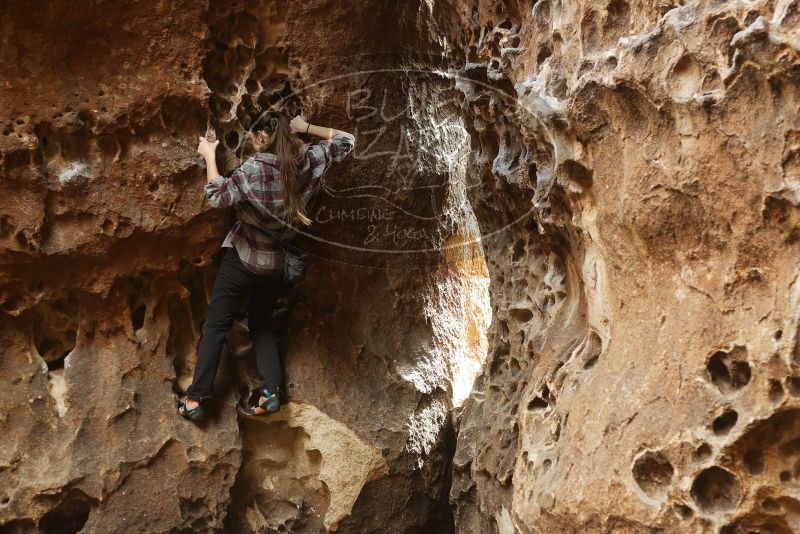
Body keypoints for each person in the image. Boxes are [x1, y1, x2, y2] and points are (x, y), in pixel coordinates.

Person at [175, 109, 356, 421]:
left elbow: (217, 195)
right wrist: (307, 127)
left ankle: (196, 399)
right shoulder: (309, 160)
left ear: (260, 137)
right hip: (276, 263)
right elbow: (347, 140)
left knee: (216, 325)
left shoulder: (255, 169)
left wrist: (208, 155)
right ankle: (270, 392)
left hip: (243, 258)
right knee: (262, 325)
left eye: (253, 134)